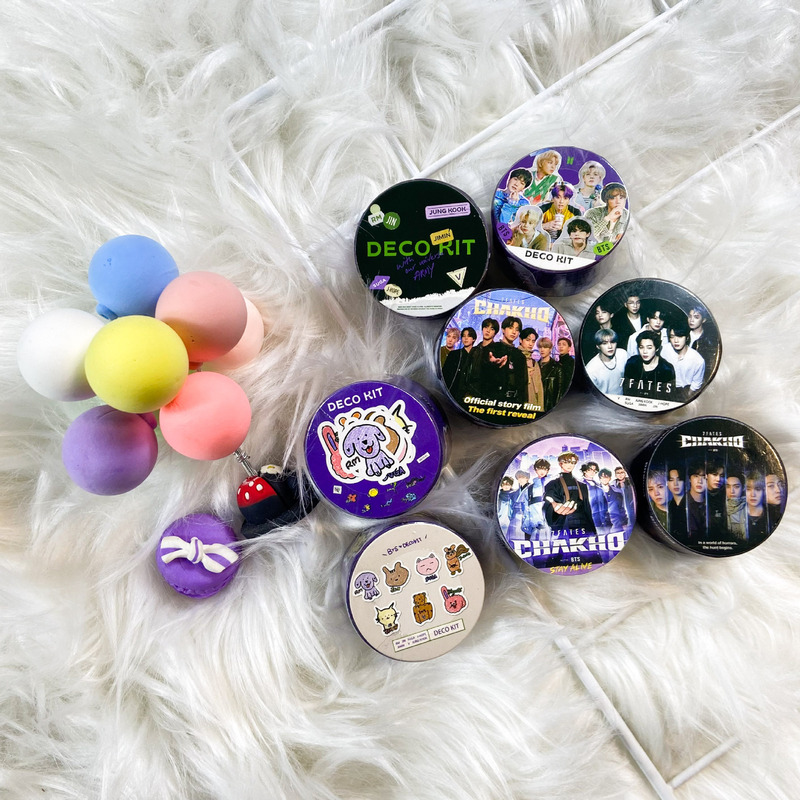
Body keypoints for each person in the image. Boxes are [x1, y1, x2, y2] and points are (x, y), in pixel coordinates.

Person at [468, 316, 526, 402]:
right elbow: (480, 375)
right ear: (503, 330)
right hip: (491, 399)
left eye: (517, 330)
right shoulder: (491, 349)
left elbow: (523, 384)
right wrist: (492, 363)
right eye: (510, 328)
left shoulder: (520, 356)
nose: (514, 332)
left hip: (513, 402)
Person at [543, 452, 597, 535]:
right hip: (564, 525)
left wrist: (593, 531)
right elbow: (548, 507)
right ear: (560, 464)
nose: (570, 465)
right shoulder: (552, 484)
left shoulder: (582, 486)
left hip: (583, 525)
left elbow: (587, 509)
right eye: (567, 462)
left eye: (573, 462)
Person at [622, 330, 676, 401]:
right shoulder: (632, 364)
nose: (644, 351)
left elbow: (668, 398)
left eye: (649, 348)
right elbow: (627, 392)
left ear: (657, 348)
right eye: (641, 347)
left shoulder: (666, 369)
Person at [660, 320, 706, 402]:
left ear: (687, 337)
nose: (676, 340)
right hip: (664, 390)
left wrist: (686, 398)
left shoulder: (698, 360)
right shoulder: (664, 350)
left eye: (680, 336)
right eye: (672, 336)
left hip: (684, 393)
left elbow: (696, 384)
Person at [584, 329, 625, 395]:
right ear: (598, 346)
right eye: (604, 343)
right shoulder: (591, 370)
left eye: (612, 342)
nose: (610, 346)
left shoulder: (622, 354)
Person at [442, 327, 477, 401]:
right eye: (464, 336)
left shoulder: (477, 356)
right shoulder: (454, 354)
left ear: (474, 339)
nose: (466, 338)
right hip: (453, 393)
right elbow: (445, 374)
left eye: (469, 336)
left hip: (470, 395)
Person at [687, 305, 719, 377]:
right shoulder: (682, 335)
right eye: (690, 316)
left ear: (703, 320)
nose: (691, 320)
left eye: (696, 317)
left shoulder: (708, 341)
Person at [517, 327, 544, 411]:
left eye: (533, 341)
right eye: (528, 340)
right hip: (518, 402)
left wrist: (540, 408)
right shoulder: (515, 357)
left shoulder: (534, 362)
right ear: (520, 340)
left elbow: (539, 388)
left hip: (532, 403)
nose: (530, 344)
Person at [523, 459, 551, 540]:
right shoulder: (531, 487)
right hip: (535, 519)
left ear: (547, 470)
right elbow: (526, 506)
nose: (542, 471)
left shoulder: (553, 483)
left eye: (545, 469)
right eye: (540, 468)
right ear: (536, 469)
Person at [537, 337, 564, 411]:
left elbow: (560, 390)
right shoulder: (535, 366)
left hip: (549, 405)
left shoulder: (557, 367)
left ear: (550, 348)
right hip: (537, 404)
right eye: (540, 347)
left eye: (545, 347)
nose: (542, 350)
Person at [598, 468, 628, 532]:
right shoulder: (595, 491)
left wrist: (625, 523)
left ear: (610, 478)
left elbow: (621, 508)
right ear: (600, 478)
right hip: (602, 525)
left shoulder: (617, 491)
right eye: (602, 477)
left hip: (617, 524)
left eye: (606, 477)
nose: (604, 479)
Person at [745, 471, 768, 544]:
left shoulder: (770, 516)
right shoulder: (736, 515)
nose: (753, 494)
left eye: (757, 489)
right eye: (748, 489)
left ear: (763, 491)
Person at [705, 461, 727, 538]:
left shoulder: (727, 494)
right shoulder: (699, 494)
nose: (718, 479)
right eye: (714, 474)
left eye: (722, 475)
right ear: (706, 475)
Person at [666, 465, 688, 540]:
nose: (675, 484)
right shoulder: (669, 505)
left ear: (684, 481)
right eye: (671, 480)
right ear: (667, 483)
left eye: (679, 479)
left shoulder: (690, 503)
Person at [686, 462, 707, 540]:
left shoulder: (712, 503)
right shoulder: (682, 502)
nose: (700, 481)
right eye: (696, 476)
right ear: (689, 479)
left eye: (704, 477)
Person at [508, 470, 531, 540]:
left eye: (523, 477)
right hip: (516, 516)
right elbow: (511, 506)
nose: (520, 479)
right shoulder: (514, 493)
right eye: (519, 477)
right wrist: (511, 516)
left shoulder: (532, 489)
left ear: (527, 478)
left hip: (527, 515)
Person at [725, 470, 747, 540]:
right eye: (728, 487)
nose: (732, 491)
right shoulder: (721, 508)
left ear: (743, 488)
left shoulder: (749, 507)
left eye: (736, 487)